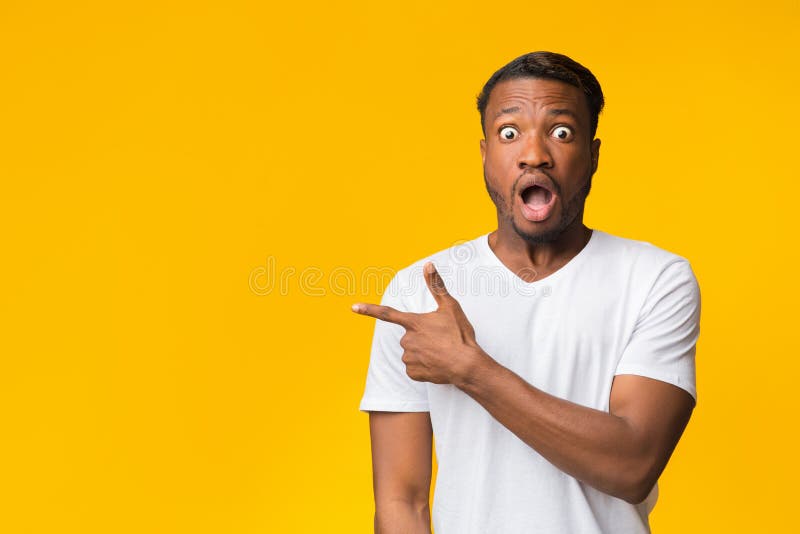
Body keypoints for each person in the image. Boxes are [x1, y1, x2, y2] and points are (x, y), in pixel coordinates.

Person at [352, 51, 700, 534]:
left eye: (561, 133)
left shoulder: (656, 279)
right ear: (484, 154)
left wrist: (471, 369)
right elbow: (401, 501)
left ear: (594, 156)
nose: (534, 153)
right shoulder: (418, 291)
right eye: (509, 133)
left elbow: (633, 466)